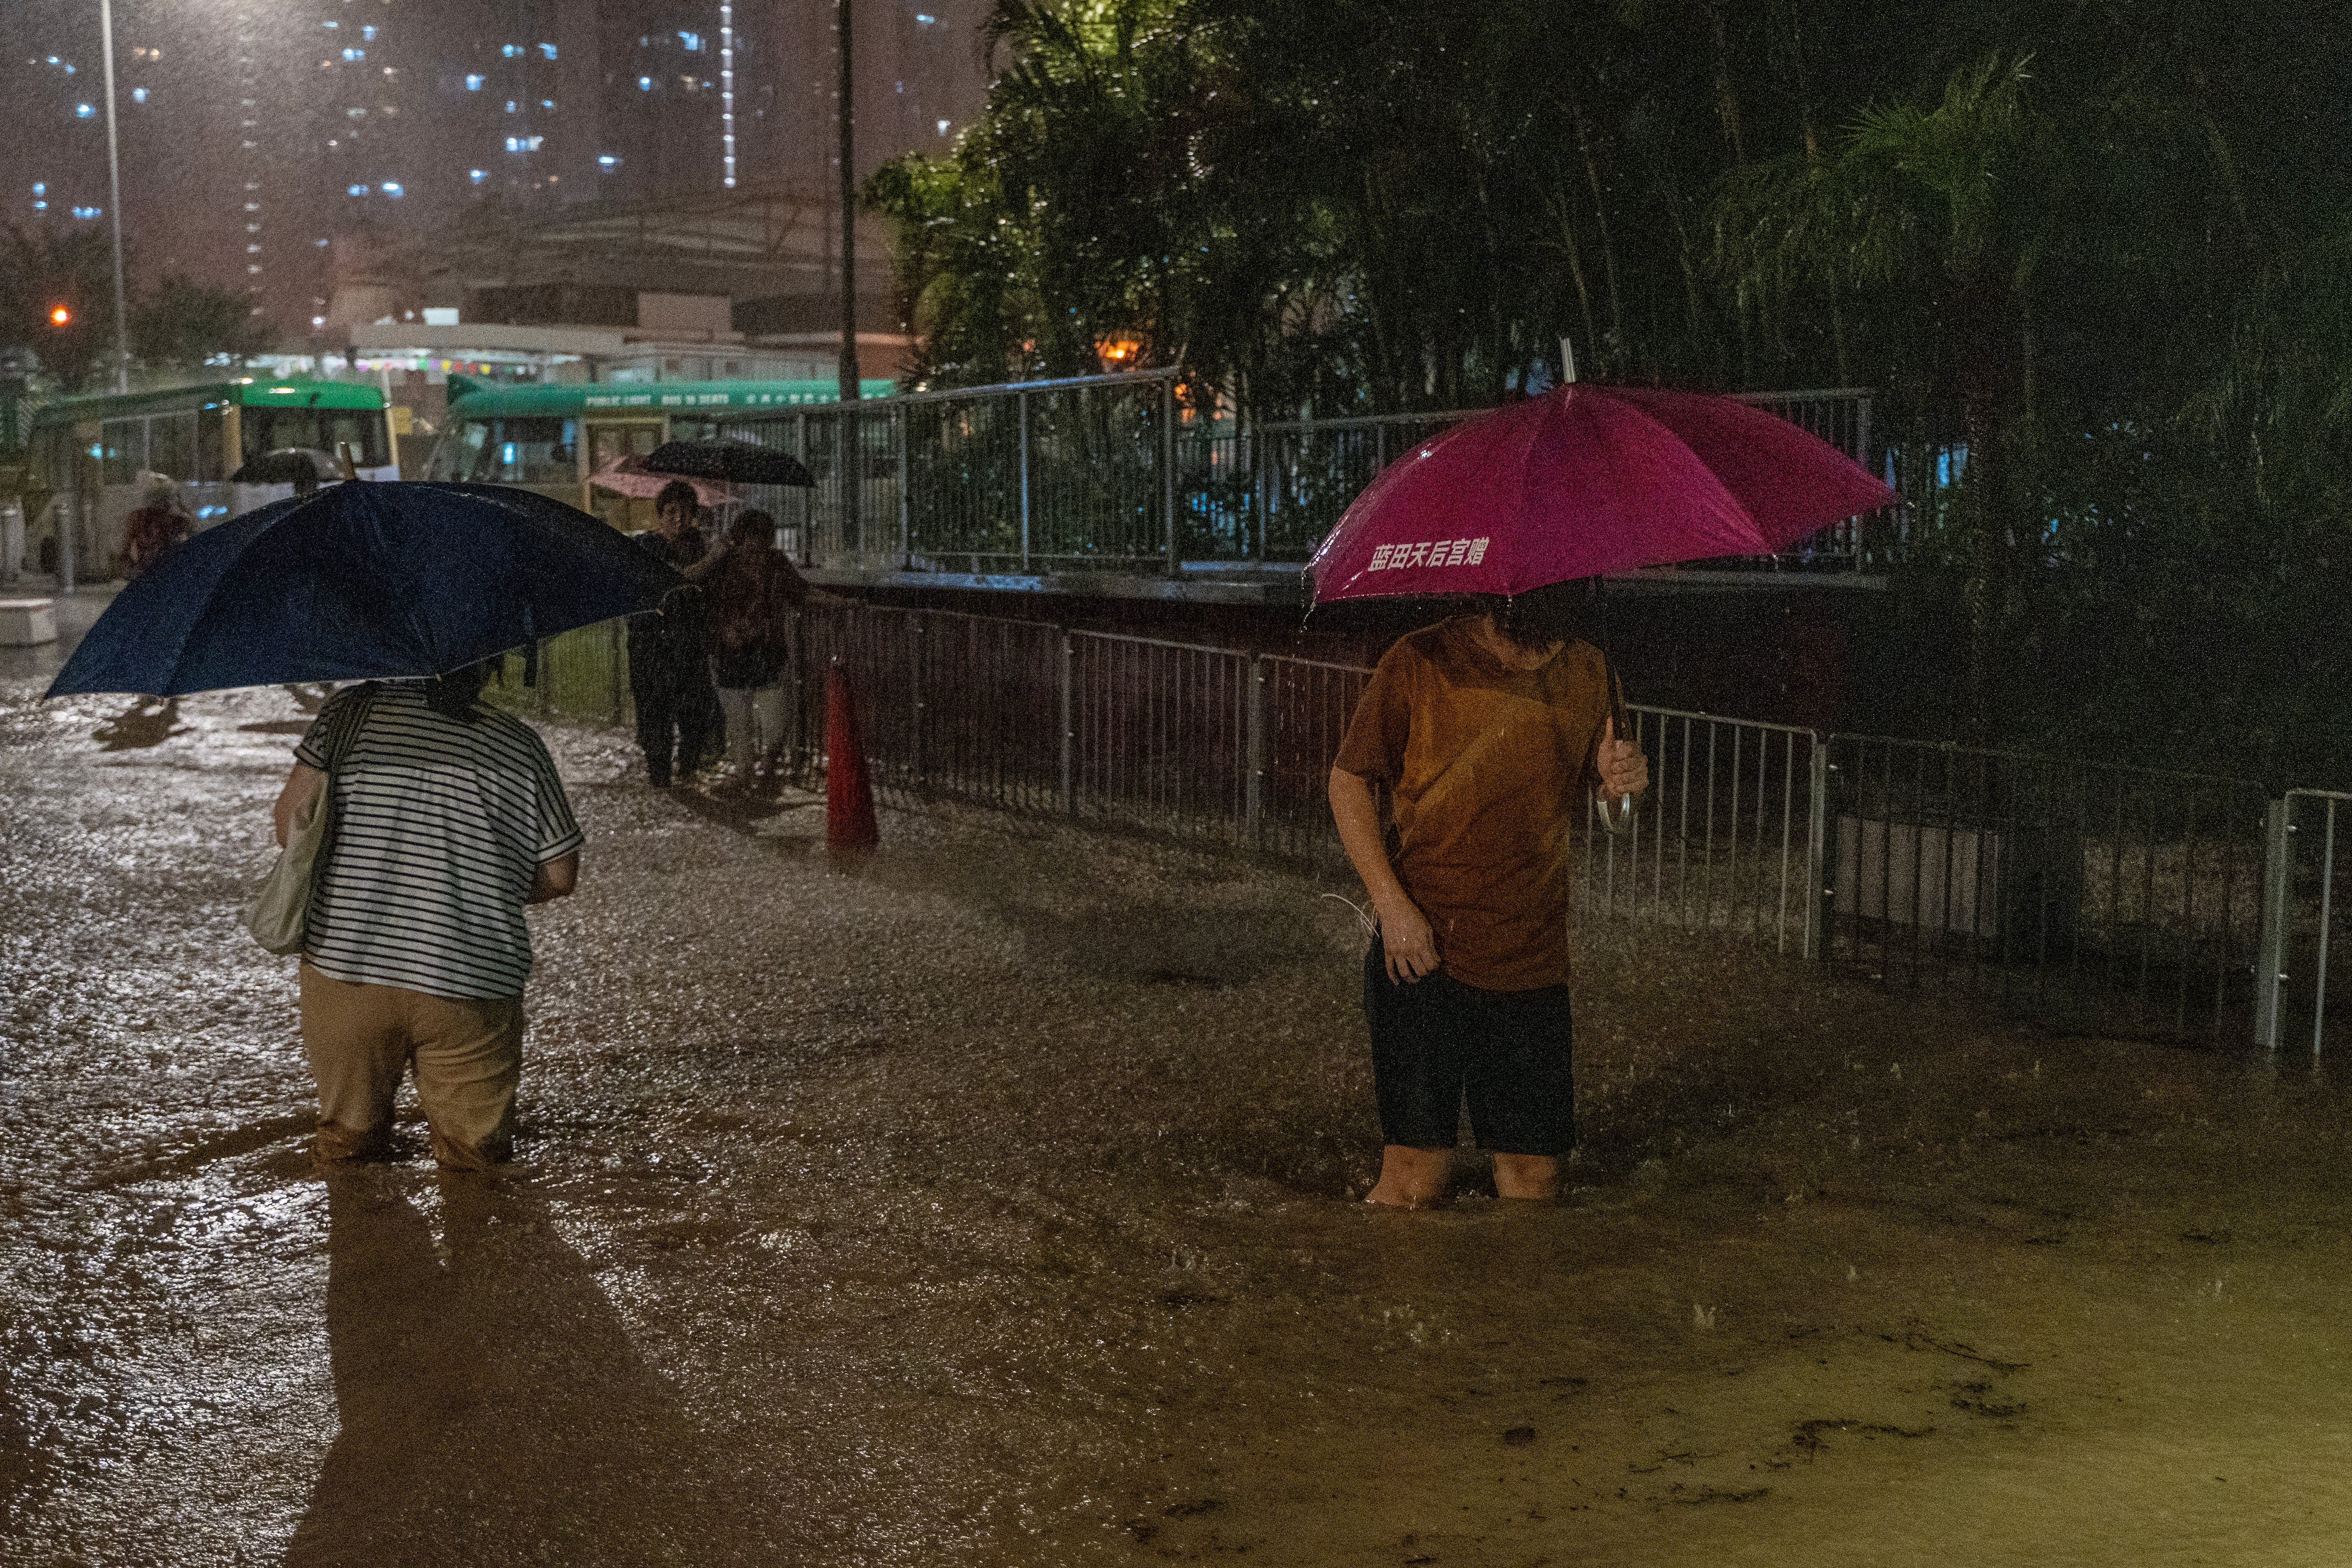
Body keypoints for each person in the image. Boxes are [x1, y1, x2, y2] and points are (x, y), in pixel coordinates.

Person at [1327, 584, 1650, 1208]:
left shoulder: (1590, 670)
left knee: (1535, 1184)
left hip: (1529, 956)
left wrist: (1622, 787)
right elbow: (1348, 780)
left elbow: (1613, 807)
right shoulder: (1419, 659)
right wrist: (1391, 906)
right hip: (1419, 950)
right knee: (1414, 1181)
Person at [271, 661, 583, 1170]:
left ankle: (360, 1243)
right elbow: (560, 874)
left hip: (347, 973)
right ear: (489, 665)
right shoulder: (517, 744)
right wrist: (474, 882)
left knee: (347, 1153)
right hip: (472, 980)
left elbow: (290, 830)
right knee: (476, 1166)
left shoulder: (346, 716)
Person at [688, 509, 809, 788]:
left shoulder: (776, 563)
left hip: (766, 649)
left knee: (775, 716)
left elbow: (800, 590)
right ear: (740, 539)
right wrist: (714, 556)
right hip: (731, 650)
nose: (757, 546)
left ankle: (765, 763)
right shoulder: (724, 563)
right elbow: (690, 580)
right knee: (738, 717)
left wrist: (839, 603)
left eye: (763, 539)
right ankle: (745, 771)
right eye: (751, 539)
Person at [625, 481, 723, 787]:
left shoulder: (698, 547)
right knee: (655, 712)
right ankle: (660, 773)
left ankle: (688, 766)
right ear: (660, 513)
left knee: (694, 710)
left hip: (688, 644)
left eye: (686, 512)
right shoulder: (646, 546)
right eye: (671, 511)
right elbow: (670, 579)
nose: (678, 518)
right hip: (650, 644)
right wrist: (711, 560)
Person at [118, 472, 192, 579]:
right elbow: (125, 551)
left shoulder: (177, 518)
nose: (163, 504)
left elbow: (125, 551)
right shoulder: (139, 518)